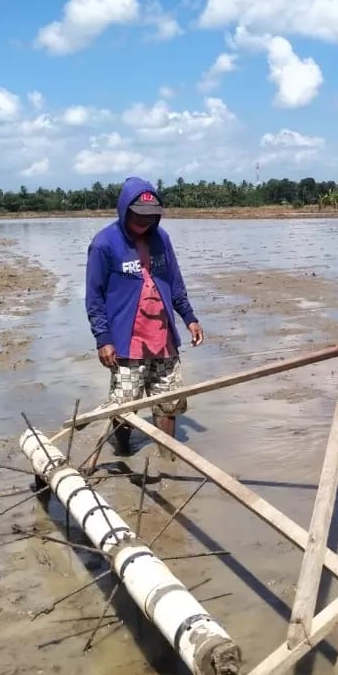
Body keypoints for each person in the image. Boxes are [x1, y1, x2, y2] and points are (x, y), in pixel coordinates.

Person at [85, 177, 204, 470]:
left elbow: (174, 283)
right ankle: (123, 452)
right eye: (138, 215)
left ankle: (169, 462)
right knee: (125, 404)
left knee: (169, 402)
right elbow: (94, 296)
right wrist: (103, 338)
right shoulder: (103, 244)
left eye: (150, 217)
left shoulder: (161, 240)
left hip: (163, 339)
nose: (144, 221)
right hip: (127, 340)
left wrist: (189, 318)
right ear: (125, 210)